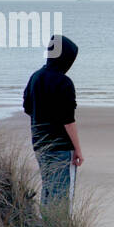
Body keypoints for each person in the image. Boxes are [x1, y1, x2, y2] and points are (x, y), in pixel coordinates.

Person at [22, 35, 82, 206]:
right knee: (62, 195)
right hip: (61, 147)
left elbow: (27, 108)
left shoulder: (35, 77)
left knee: (48, 188)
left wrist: (44, 117)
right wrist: (77, 149)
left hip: (40, 143)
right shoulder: (64, 82)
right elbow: (68, 120)